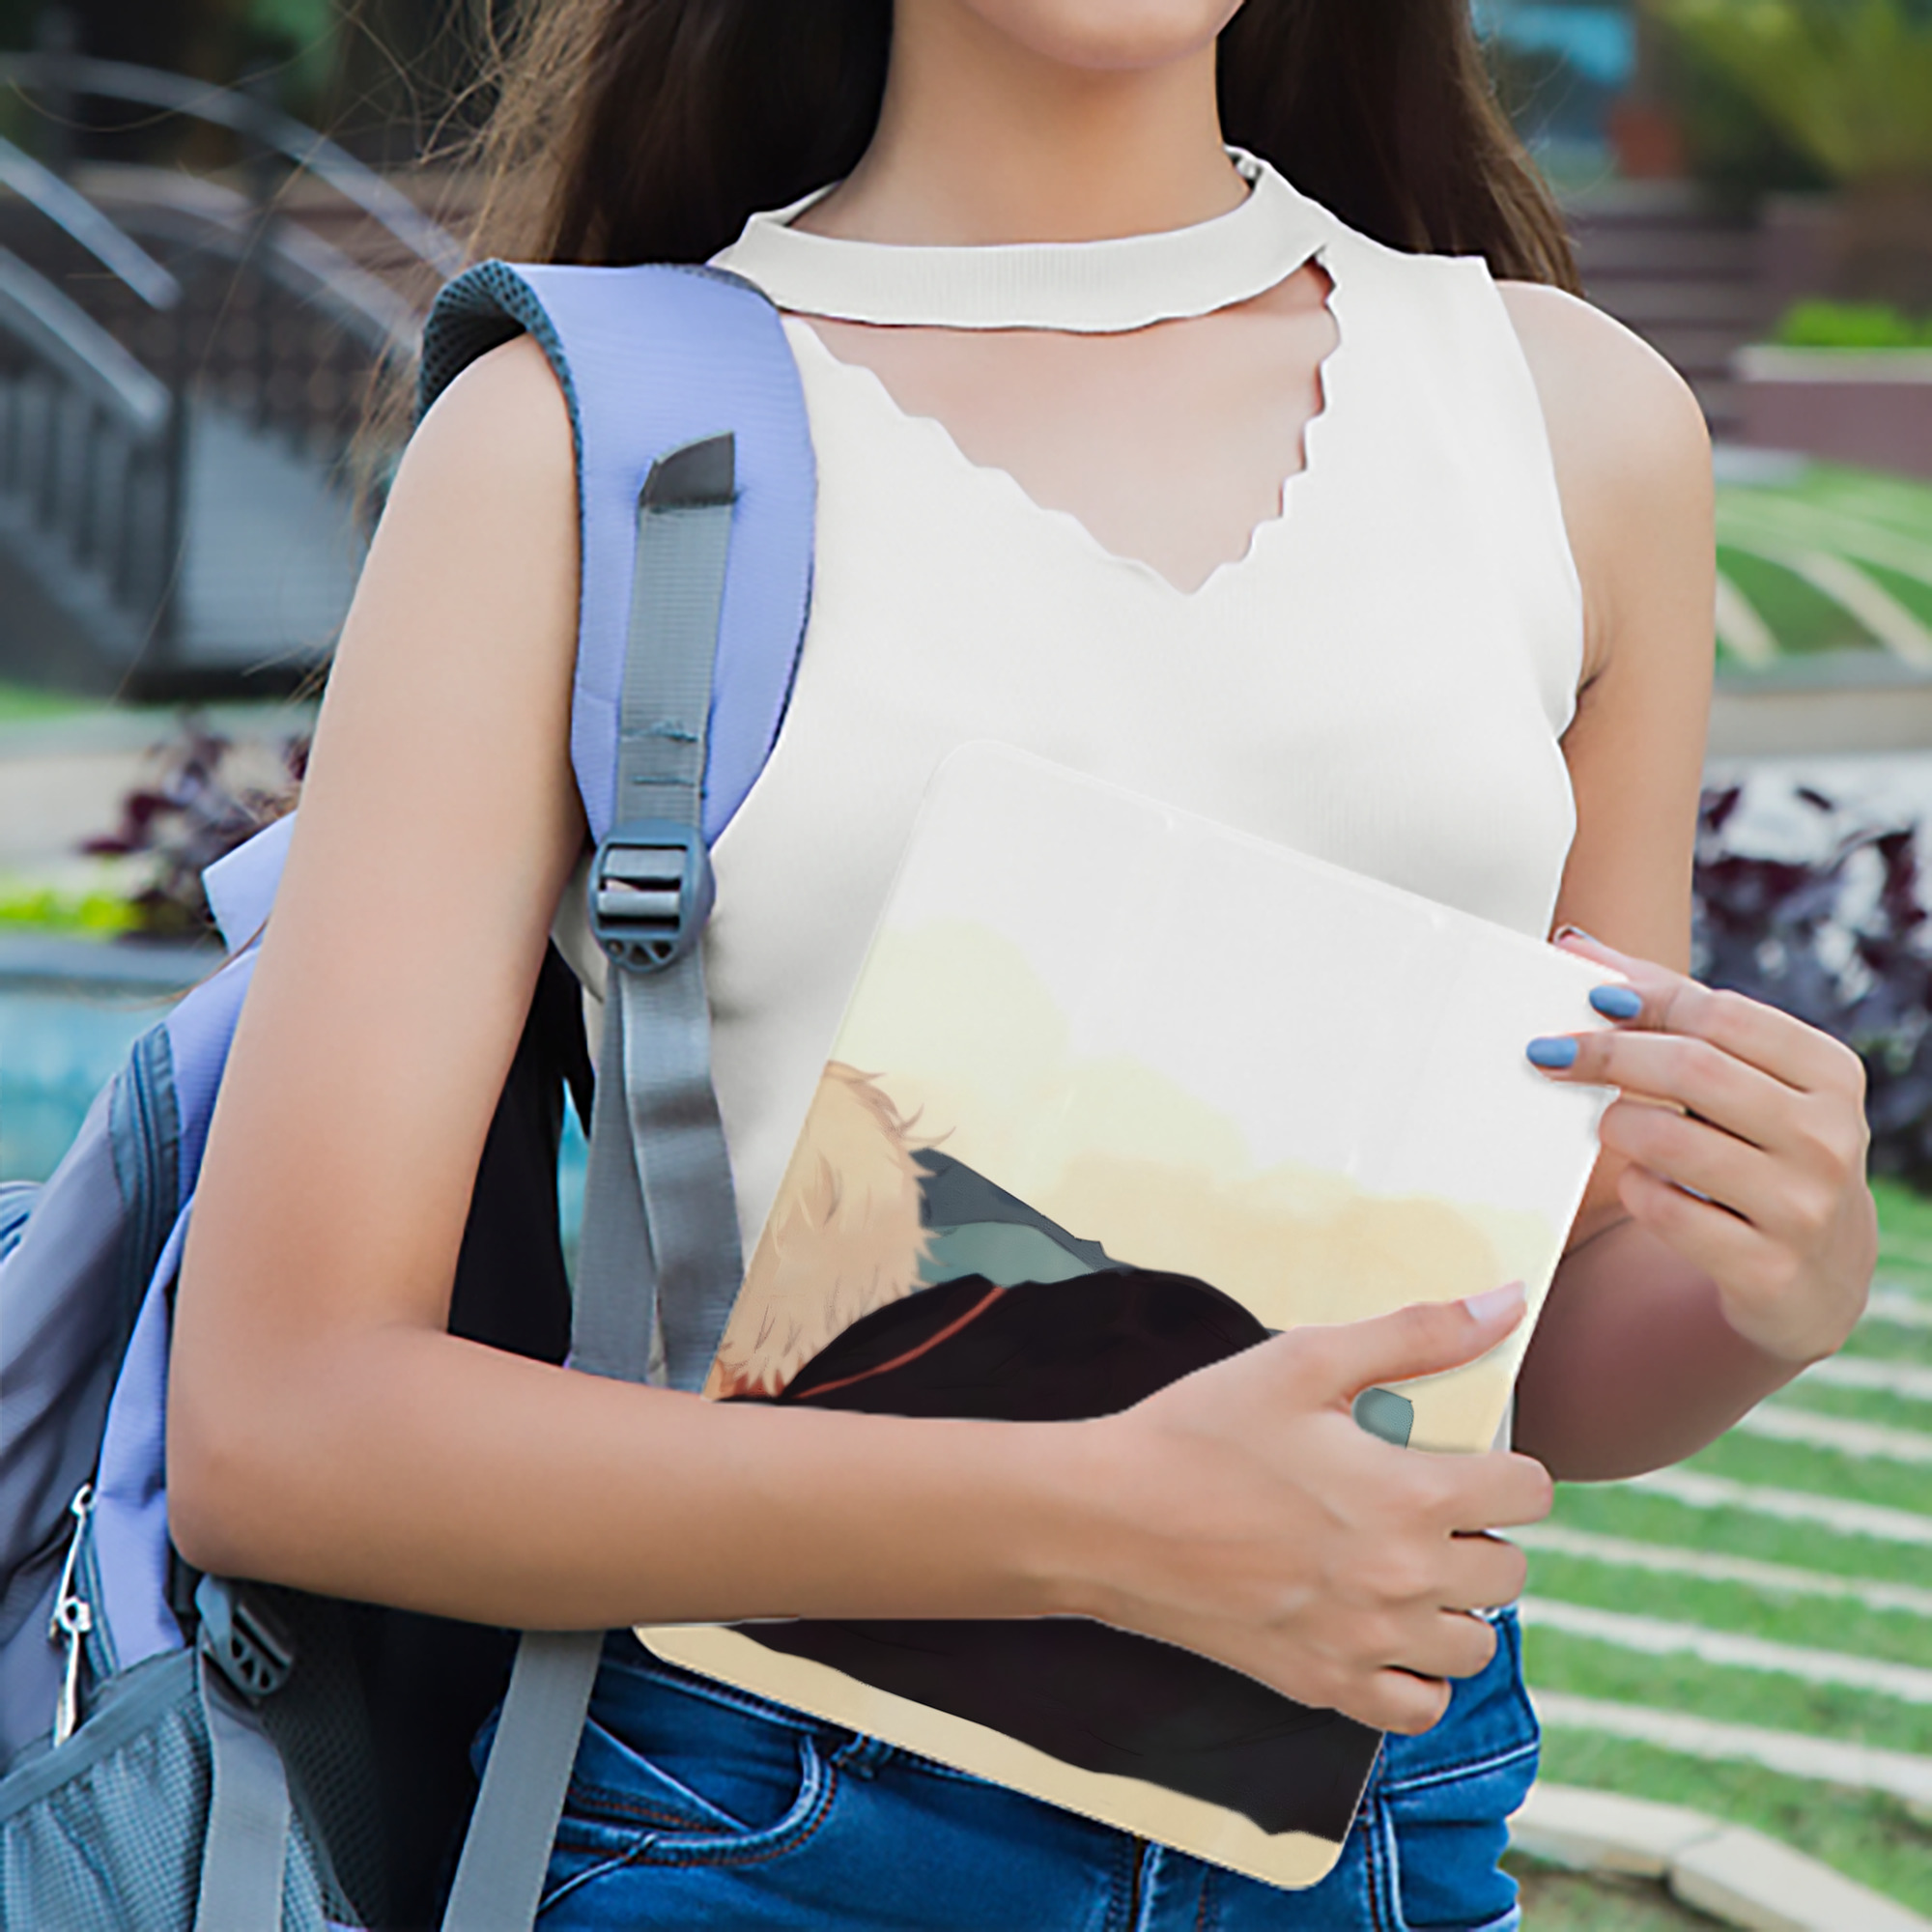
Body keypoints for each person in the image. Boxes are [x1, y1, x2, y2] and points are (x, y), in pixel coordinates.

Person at [167, 2, 1878, 1926]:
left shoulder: (1568, 426)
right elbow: (282, 1423)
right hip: (768, 1823)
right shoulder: (586, 444)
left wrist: (1762, 1298)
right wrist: (1099, 1519)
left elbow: (1518, 1374)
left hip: (1362, 1824)